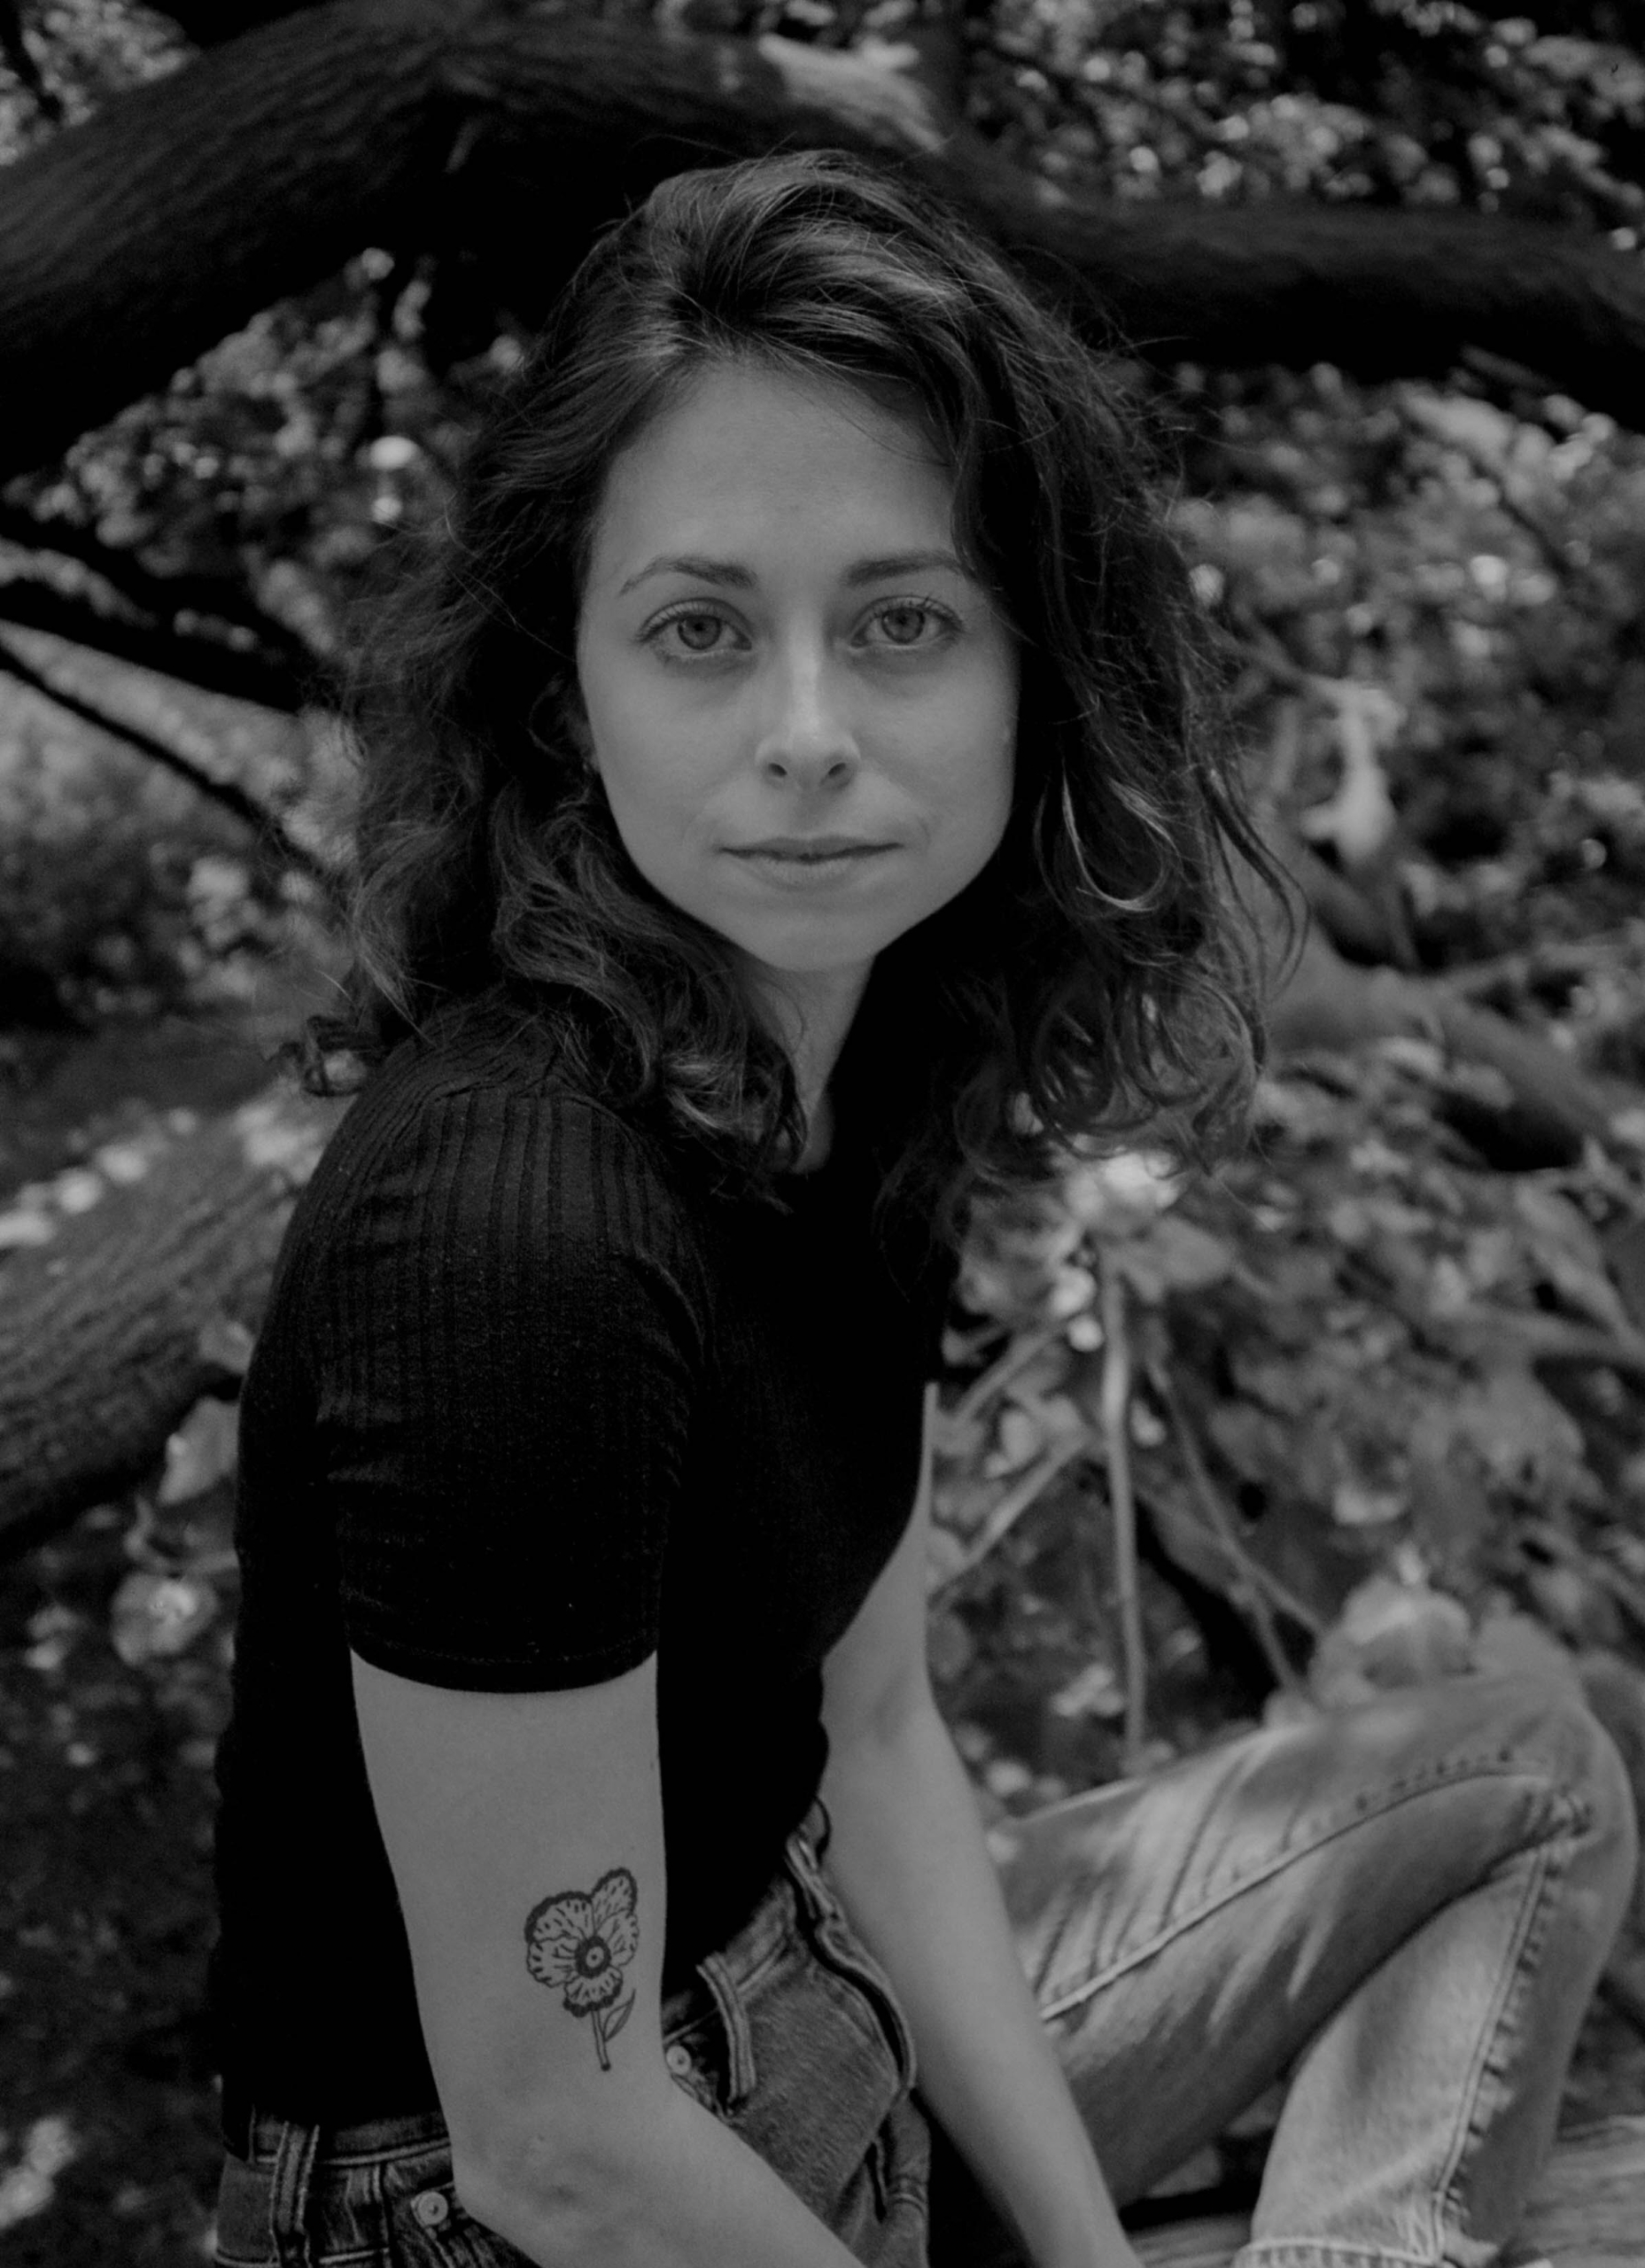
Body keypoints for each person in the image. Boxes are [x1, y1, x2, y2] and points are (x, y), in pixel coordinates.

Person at [207, 151, 1636, 2268]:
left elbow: (869, 1743)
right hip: (526, 2210)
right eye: (700, 628)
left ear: (1027, 673)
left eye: (900, 623)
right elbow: (560, 2142)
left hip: (817, 2006)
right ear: (561, 693)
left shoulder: (848, 1068)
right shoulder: (510, 1238)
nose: (806, 737)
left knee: (1527, 1756)